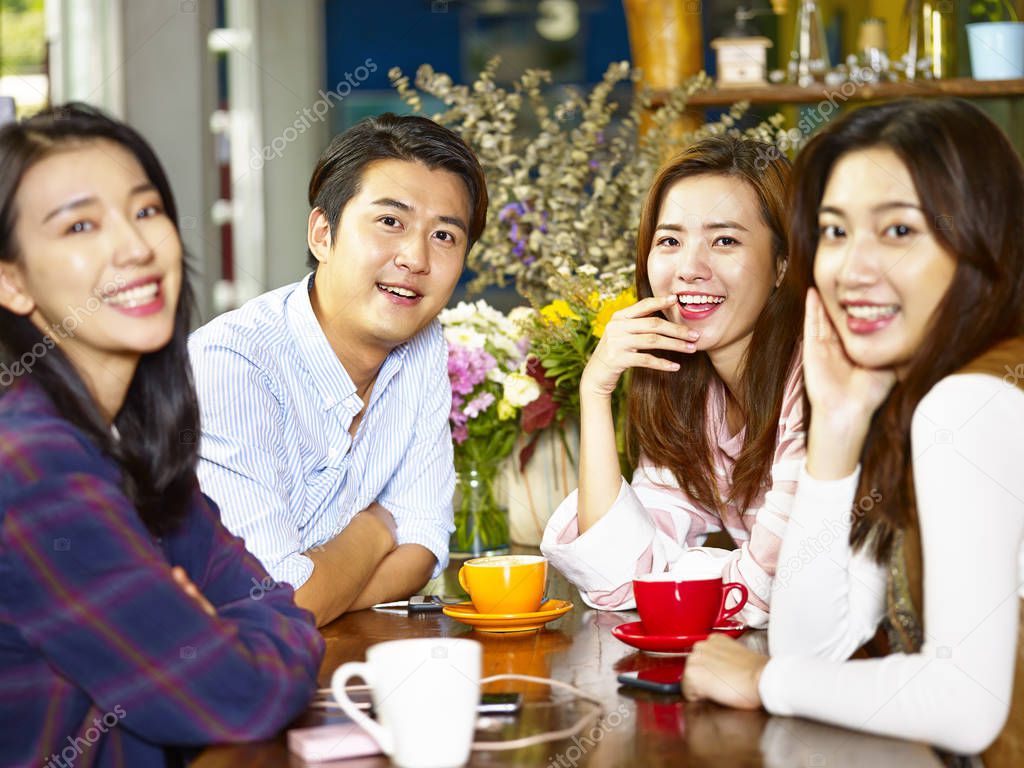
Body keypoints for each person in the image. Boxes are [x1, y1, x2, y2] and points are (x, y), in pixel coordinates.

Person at [683, 98, 1024, 766]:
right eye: (835, 232)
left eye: (898, 232)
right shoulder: (921, 393)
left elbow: (964, 702)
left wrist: (763, 682)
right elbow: (814, 647)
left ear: (984, 239)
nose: (851, 268)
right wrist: (836, 431)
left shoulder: (971, 402)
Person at [0, 104, 323, 766]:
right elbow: (241, 695)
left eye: (146, 210)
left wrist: (217, 623)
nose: (136, 247)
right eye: (81, 225)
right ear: (12, 281)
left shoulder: (124, 444)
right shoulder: (34, 469)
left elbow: (278, 606)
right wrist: (215, 630)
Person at [189, 113, 488, 627]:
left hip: (310, 662)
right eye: (390, 222)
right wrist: (376, 528)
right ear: (323, 234)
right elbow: (275, 599)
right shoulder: (231, 364)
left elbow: (425, 542)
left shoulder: (421, 343)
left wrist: (315, 595)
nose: (415, 258)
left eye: (444, 235)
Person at [540, 136, 805, 628]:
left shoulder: (818, 379)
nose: (689, 269)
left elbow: (777, 590)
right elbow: (616, 577)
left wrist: (681, 571)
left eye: (725, 240)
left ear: (782, 266)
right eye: (670, 241)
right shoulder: (693, 394)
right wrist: (595, 391)